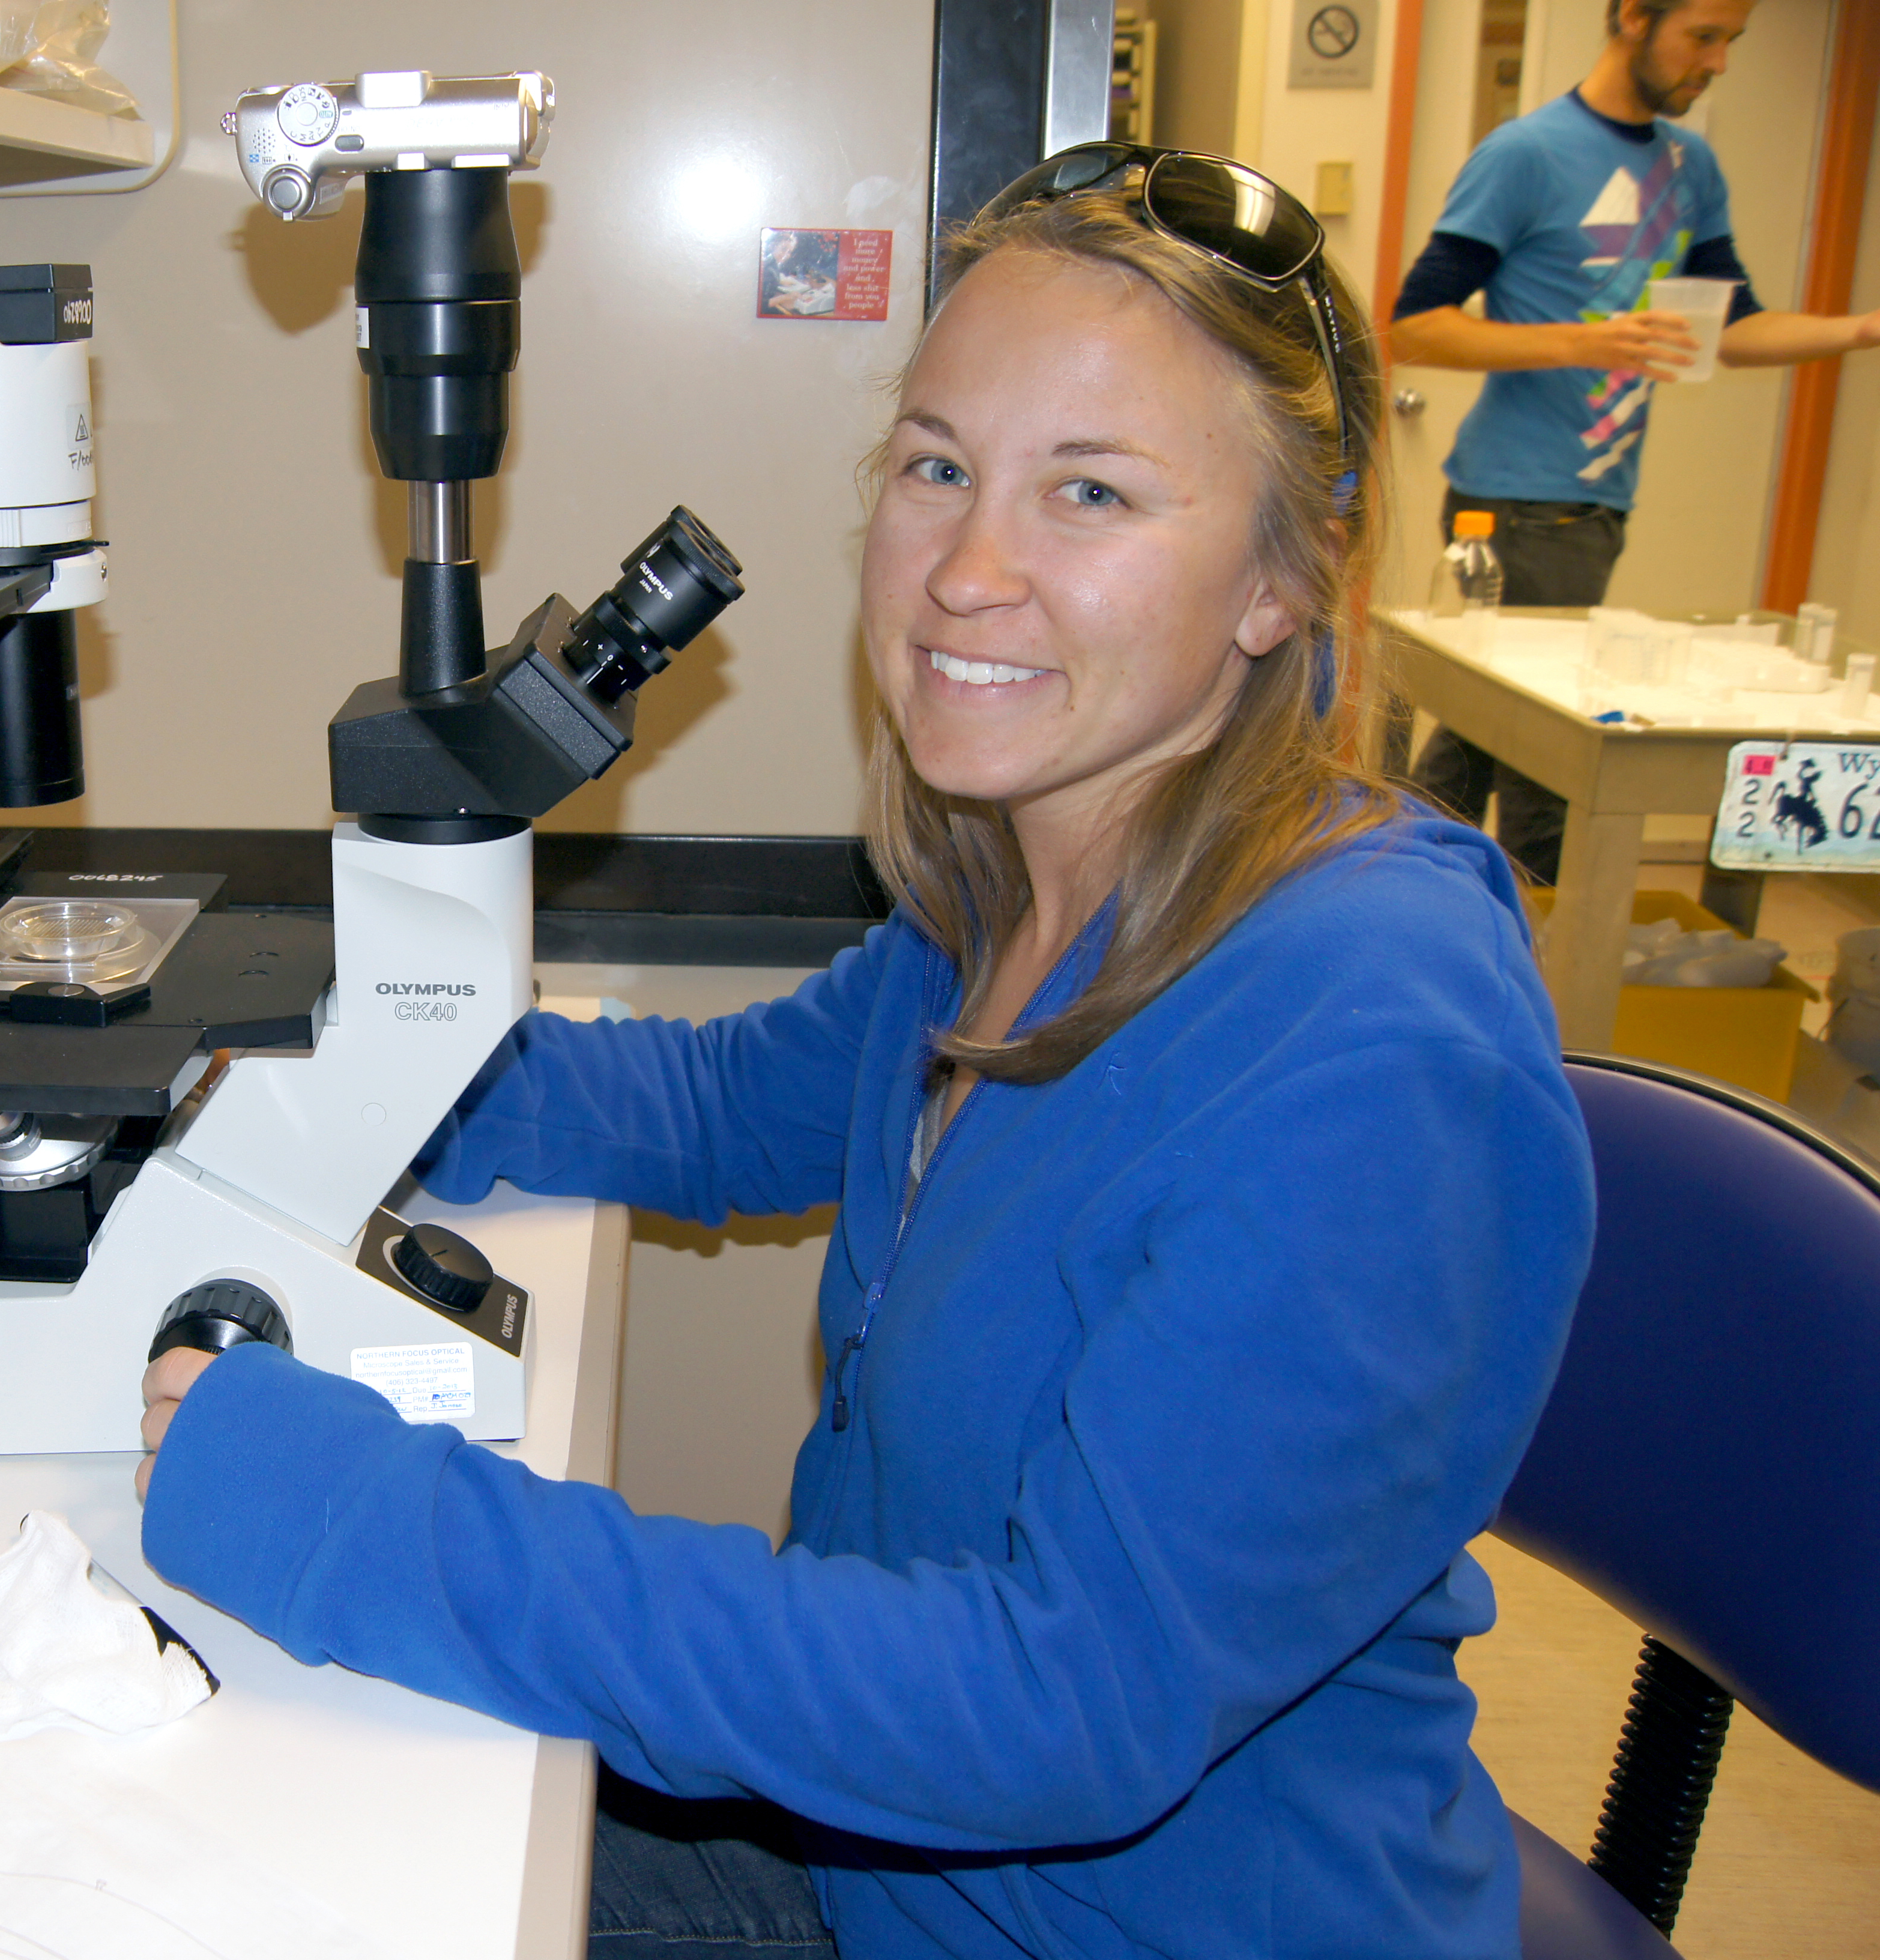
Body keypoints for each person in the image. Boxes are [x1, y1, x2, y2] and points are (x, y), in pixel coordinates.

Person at [139, 147, 1596, 1960]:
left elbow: (1056, 1708)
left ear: (1279, 582)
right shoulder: (1011, 894)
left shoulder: (1377, 1055)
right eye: (936, 467)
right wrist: (296, 1083)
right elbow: (720, 1106)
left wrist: (374, 1520)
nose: (968, 570)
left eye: (1090, 491)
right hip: (886, 1859)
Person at [1391, 0, 1880, 884]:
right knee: (1547, 773)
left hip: (1598, 508)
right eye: (1703, 38)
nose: (1719, 63)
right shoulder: (1527, 154)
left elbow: (1733, 328)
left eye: (1732, 43)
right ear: (1631, 19)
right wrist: (1582, 341)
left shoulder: (1693, 169)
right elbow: (1414, 327)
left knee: (1478, 749)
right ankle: (1529, 962)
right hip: (1511, 506)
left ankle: (1401, 896)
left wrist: (1859, 331)